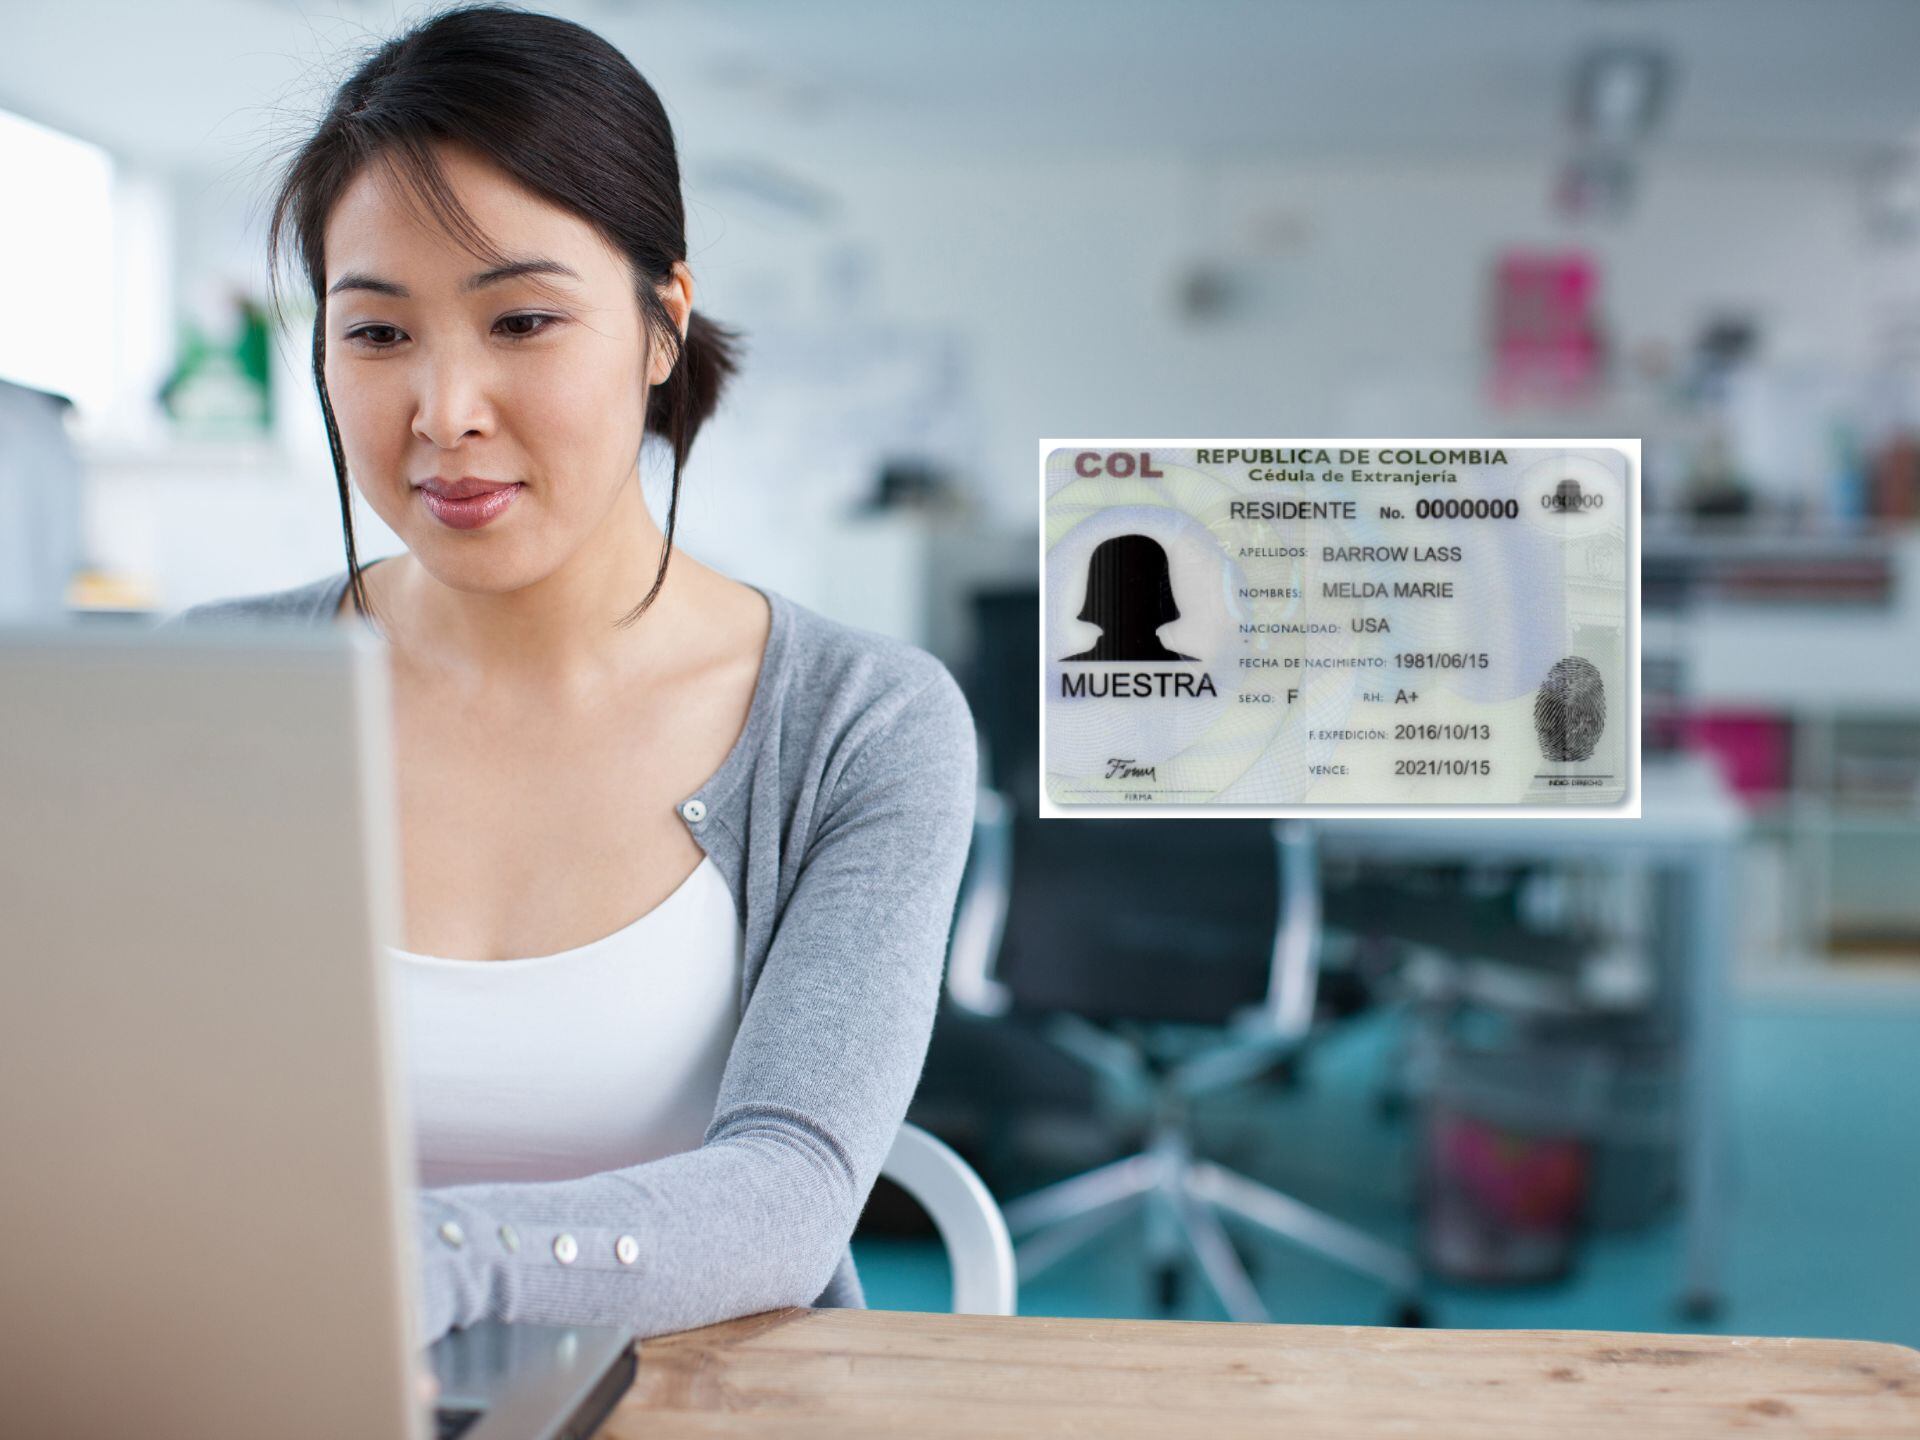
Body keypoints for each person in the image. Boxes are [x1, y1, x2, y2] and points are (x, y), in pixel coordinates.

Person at [167, 3, 978, 1345]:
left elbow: (789, 1194)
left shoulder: (861, 723)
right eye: (376, 335)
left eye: (524, 320)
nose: (445, 412)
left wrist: (432, 1268)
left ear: (663, 327)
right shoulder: (204, 688)